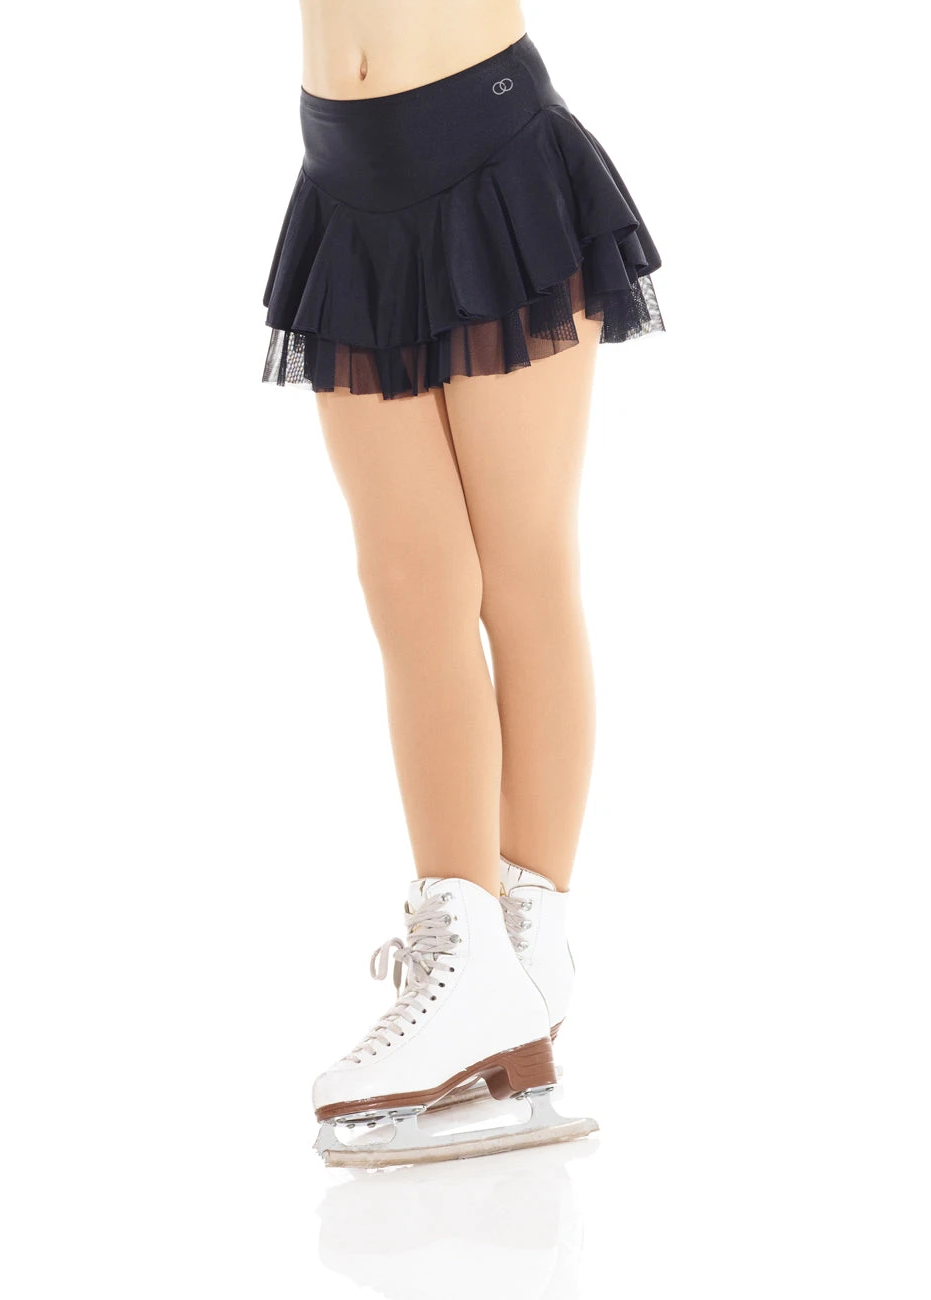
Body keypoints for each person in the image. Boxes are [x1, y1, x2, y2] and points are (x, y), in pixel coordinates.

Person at [262, 2, 664, 1167]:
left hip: (487, 150)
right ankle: (471, 947)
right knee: (406, 580)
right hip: (345, 173)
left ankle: (517, 933)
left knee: (521, 565)